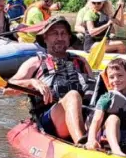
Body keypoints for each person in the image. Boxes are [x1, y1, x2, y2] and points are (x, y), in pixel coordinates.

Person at [8, 16, 96, 144]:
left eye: (63, 33)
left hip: (83, 114)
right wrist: (32, 82)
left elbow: (94, 92)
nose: (60, 38)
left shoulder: (81, 62)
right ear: (45, 37)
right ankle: (81, 143)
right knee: (73, 96)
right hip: (51, 119)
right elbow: (7, 88)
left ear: (69, 37)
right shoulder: (35, 62)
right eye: (54, 33)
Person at [85, 58, 126, 156]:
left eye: (120, 75)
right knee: (113, 118)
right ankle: (116, 150)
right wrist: (91, 139)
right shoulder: (106, 98)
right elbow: (96, 120)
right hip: (106, 134)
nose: (116, 80)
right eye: (112, 77)